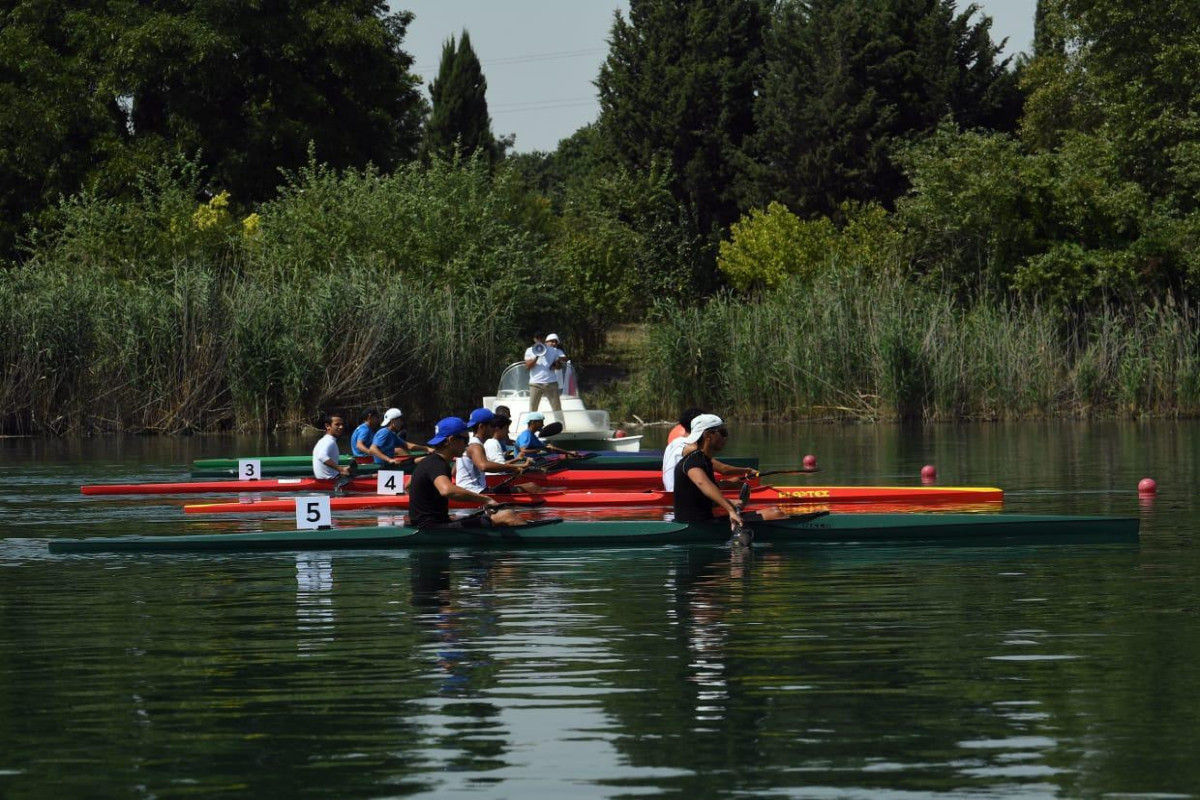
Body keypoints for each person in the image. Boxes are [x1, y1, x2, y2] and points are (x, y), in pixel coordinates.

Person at [408, 417, 525, 528]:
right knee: (508, 516)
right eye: (465, 440)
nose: (467, 444)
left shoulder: (429, 461)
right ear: (451, 440)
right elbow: (447, 490)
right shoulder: (437, 464)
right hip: (432, 528)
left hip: (433, 524)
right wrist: (486, 499)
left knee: (494, 516)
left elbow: (408, 486)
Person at [672, 414, 744, 528]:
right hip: (693, 526)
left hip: (704, 521)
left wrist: (730, 502)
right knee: (774, 513)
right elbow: (703, 483)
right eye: (723, 433)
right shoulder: (693, 462)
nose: (725, 438)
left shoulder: (705, 461)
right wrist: (730, 509)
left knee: (773, 512)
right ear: (708, 435)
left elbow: (701, 499)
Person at [662, 411, 758, 491]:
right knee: (735, 484)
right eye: (723, 433)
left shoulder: (674, 442)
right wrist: (748, 470)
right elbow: (723, 469)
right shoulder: (693, 450)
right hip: (678, 495)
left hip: (673, 490)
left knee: (732, 482)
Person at [456, 408, 529, 493]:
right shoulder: (475, 446)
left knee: (530, 487)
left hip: (471, 490)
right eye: (492, 426)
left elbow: (455, 471)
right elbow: (484, 466)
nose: (495, 429)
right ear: (481, 426)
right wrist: (513, 468)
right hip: (474, 492)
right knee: (531, 487)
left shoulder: (469, 444)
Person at [524, 332, 566, 413]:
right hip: (535, 384)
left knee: (557, 409)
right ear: (534, 339)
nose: (539, 340)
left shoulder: (553, 350)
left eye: (541, 338)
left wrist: (556, 364)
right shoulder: (529, 350)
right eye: (537, 338)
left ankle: (561, 425)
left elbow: (559, 367)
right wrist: (537, 355)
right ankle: (530, 425)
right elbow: (528, 367)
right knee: (533, 409)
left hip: (551, 383)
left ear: (544, 339)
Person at [311, 412, 352, 480]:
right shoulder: (329, 441)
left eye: (342, 424)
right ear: (327, 426)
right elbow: (322, 456)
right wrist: (341, 469)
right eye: (337, 425)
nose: (341, 427)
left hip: (327, 479)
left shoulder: (324, 440)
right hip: (330, 481)